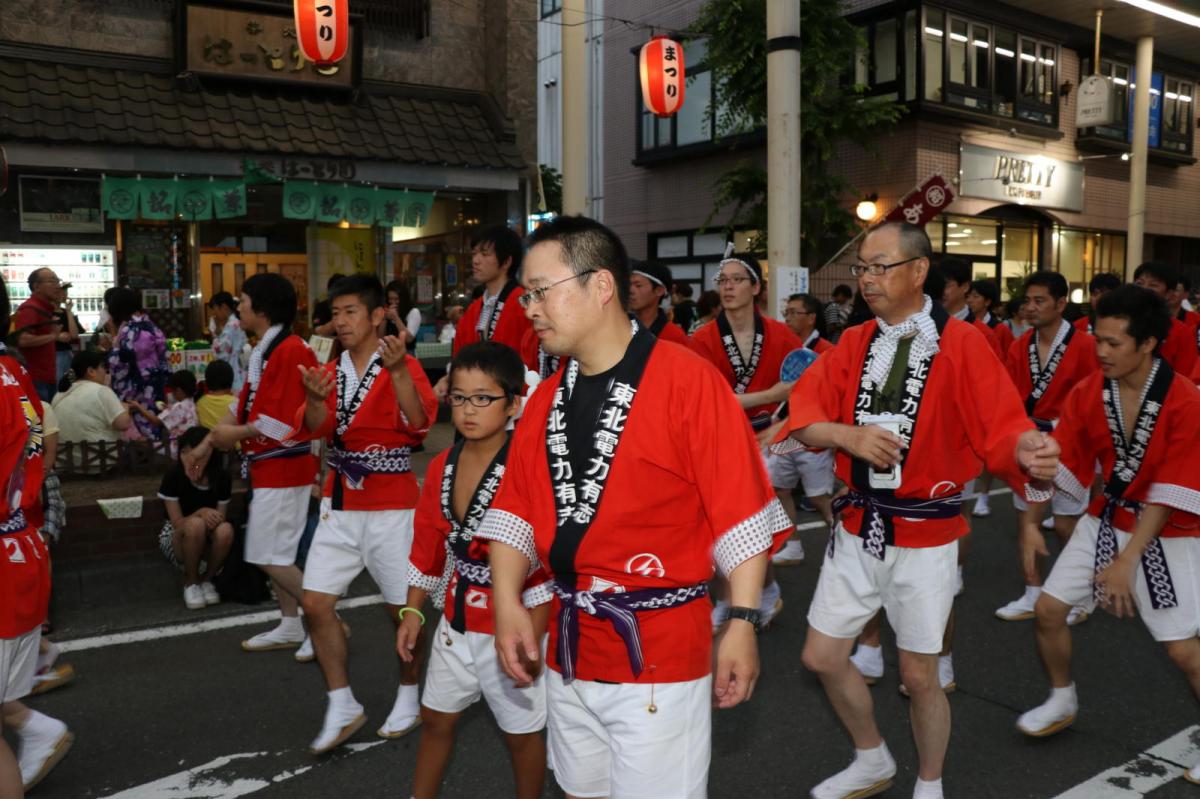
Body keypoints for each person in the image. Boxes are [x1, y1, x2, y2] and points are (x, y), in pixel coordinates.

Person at [476, 215, 790, 799]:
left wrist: (743, 622)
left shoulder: (688, 381)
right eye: (526, 296)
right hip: (570, 645)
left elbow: (741, 515)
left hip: (658, 655)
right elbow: (515, 510)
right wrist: (505, 599)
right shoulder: (546, 397)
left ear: (600, 286)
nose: (530, 309)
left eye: (540, 291)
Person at [775, 221, 1059, 799]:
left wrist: (1026, 449)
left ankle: (930, 781)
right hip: (858, 525)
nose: (867, 279)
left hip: (926, 533)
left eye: (880, 266)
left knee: (918, 674)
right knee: (821, 656)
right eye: (862, 268)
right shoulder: (855, 341)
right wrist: (848, 435)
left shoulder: (962, 343)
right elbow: (804, 416)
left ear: (919, 270)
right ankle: (872, 757)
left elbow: (1001, 426)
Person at [1015, 286, 1200, 766]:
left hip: (1169, 528)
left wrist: (1127, 559)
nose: (1101, 351)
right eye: (1097, 339)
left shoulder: (1185, 399)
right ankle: (1062, 697)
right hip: (1107, 516)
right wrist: (1032, 522)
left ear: (1148, 343)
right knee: (1049, 611)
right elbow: (1058, 458)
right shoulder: (1090, 391)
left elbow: (1169, 489)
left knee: (1183, 651)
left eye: (1114, 343)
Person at [293, 274, 438, 753]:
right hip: (340, 502)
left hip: (392, 506)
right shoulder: (329, 371)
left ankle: (410, 694)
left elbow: (419, 422)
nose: (340, 321)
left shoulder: (404, 364)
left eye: (350, 311)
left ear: (378, 315)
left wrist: (397, 374)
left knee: (404, 611)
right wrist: (315, 401)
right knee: (315, 603)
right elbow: (316, 427)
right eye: (336, 313)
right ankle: (341, 703)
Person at [401, 341, 552, 799]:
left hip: (515, 622)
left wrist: (534, 638)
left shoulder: (531, 467)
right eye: (460, 397)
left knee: (522, 736)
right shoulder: (442, 465)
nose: (468, 409)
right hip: (457, 619)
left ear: (514, 404)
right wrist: (413, 611)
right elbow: (428, 543)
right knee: (435, 718)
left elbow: (548, 566)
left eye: (484, 398)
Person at [182, 273, 320, 655]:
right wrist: (210, 441)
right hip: (272, 466)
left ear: (262, 308)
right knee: (279, 553)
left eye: (243, 301)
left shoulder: (290, 350)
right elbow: (244, 403)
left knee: (265, 554)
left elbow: (284, 421)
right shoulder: (268, 348)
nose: (238, 307)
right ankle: (292, 624)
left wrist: (234, 434)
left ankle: (325, 619)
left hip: (283, 466)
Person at [689, 252, 804, 629]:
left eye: (737, 279)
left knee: (752, 526)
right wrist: (771, 394)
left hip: (766, 439)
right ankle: (740, 596)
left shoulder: (781, 335)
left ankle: (753, 596)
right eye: (722, 280)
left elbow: (807, 387)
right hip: (720, 439)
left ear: (756, 287)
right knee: (722, 527)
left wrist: (783, 422)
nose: (727, 287)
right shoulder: (703, 338)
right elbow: (709, 399)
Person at [0, 272, 73, 794]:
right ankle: (35, 726)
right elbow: (38, 443)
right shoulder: (13, 370)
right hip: (21, 543)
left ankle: (36, 728)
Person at [994, 272, 1100, 625]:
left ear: (1061, 304)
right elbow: (1009, 397)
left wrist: (1061, 430)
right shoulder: (1019, 346)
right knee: (1027, 520)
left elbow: (1093, 399)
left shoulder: (1085, 346)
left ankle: (1081, 592)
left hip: (1070, 446)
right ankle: (1032, 591)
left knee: (1068, 525)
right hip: (1028, 443)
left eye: (1040, 301)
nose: (1030, 307)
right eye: (1027, 301)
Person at [771, 293, 836, 567]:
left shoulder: (826, 350)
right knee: (779, 489)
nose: (787, 318)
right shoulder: (783, 346)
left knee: (818, 496)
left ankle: (843, 544)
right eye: (786, 312)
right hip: (784, 431)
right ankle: (793, 545)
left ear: (811, 318)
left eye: (794, 313)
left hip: (813, 434)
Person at [157, 426, 234, 610]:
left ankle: (207, 580)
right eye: (184, 452)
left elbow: (220, 518)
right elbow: (177, 523)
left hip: (207, 533)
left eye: (195, 452)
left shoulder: (222, 478)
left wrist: (210, 516)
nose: (189, 458)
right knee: (195, 524)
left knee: (225, 529)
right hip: (176, 534)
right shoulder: (174, 476)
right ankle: (191, 583)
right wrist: (201, 512)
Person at [51, 351, 134, 466]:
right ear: (91, 371)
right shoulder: (101, 391)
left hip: (68, 462)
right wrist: (125, 409)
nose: (106, 372)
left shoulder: (59, 394)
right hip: (101, 461)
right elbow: (123, 424)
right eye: (103, 367)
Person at [106, 287, 168, 438]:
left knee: (138, 432)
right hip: (155, 384)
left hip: (135, 387)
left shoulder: (129, 330)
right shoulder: (152, 326)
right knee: (153, 424)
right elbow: (163, 355)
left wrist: (113, 347)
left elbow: (118, 364)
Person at [1133, 261, 1198, 376]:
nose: (1144, 289)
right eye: (1139, 283)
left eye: (1153, 285)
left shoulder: (1181, 332)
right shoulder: (1117, 323)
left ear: (1168, 293)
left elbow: (1185, 376)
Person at [12, 267, 63, 402]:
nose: (57, 286)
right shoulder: (30, 309)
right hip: (35, 379)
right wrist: (53, 336)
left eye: (57, 281)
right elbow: (22, 340)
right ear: (36, 287)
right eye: (52, 281)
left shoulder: (43, 308)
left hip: (45, 378)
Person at [127, 370, 200, 458]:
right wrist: (169, 409)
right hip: (188, 447)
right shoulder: (192, 404)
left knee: (140, 441)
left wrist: (139, 407)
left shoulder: (179, 406)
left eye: (173, 391)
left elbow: (156, 421)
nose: (172, 394)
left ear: (179, 390)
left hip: (175, 449)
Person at [940, 257, 1002, 358]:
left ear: (965, 287)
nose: (941, 291)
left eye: (947, 285)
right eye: (939, 285)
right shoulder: (928, 326)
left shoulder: (984, 334)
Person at [629, 261, 689, 345]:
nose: (630, 290)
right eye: (629, 285)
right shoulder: (618, 329)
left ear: (659, 290)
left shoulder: (674, 336)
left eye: (638, 285)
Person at [208, 291, 247, 393]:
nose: (215, 315)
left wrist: (214, 335)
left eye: (215, 310)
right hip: (238, 369)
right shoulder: (234, 323)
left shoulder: (231, 325)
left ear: (224, 307)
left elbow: (221, 354)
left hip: (234, 373)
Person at [51, 282, 81, 386]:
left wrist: (68, 311)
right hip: (55, 354)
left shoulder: (66, 312)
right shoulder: (47, 312)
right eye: (61, 292)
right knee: (60, 385)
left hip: (67, 352)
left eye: (66, 292)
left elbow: (74, 335)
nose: (65, 295)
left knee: (69, 384)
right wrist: (58, 336)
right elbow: (62, 337)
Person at [196, 360, 239, 431]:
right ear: (231, 380)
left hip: (208, 438)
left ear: (207, 382)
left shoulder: (200, 403)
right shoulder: (236, 403)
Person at [384, 280, 422, 351]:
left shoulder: (413, 312)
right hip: (389, 352)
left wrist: (395, 317)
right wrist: (384, 318)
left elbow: (408, 339)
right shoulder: (387, 310)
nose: (393, 302)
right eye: (390, 299)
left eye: (396, 299)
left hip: (406, 353)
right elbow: (380, 337)